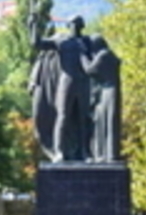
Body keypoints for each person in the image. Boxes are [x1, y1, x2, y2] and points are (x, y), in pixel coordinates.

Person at [30, 15, 92, 162]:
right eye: (73, 24)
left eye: (78, 24)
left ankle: (85, 152)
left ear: (82, 26)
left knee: (83, 119)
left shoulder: (87, 42)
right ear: (69, 25)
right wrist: (33, 25)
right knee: (62, 116)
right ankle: (59, 152)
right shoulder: (61, 41)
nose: (75, 27)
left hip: (83, 83)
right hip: (66, 82)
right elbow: (36, 43)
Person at [82, 34, 121, 162]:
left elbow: (90, 70)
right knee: (103, 121)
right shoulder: (108, 55)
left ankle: (110, 154)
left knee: (109, 121)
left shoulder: (104, 55)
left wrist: (81, 56)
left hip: (109, 91)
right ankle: (105, 153)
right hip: (107, 90)